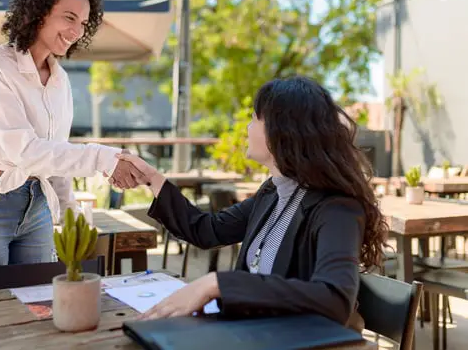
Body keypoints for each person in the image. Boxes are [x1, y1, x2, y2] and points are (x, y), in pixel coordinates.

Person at [115, 76, 388, 329]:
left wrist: (220, 283)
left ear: (283, 131)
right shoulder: (274, 192)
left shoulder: (336, 209)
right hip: (256, 333)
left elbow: (335, 299)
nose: (248, 127)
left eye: (255, 119)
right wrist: (152, 178)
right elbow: (206, 230)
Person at [0, 0, 140, 294]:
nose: (76, 31)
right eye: (69, 17)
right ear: (39, 11)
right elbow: (26, 151)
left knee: (37, 304)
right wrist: (105, 158)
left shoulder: (60, 81)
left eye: (84, 23)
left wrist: (69, 210)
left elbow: (54, 152)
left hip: (37, 205)